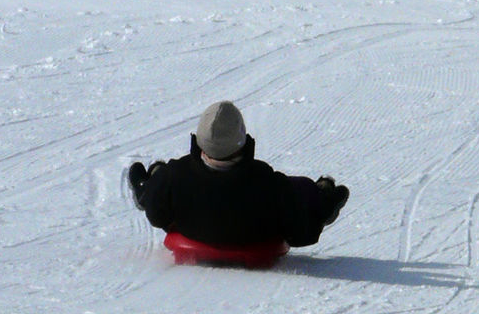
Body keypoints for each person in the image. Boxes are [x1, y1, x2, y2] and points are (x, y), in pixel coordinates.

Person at [128, 100, 349, 247]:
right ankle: (322, 197)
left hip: (195, 226)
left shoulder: (177, 175)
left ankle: (146, 189)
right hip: (250, 235)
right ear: (242, 139)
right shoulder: (267, 183)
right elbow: (301, 233)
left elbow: (158, 217)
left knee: (163, 180)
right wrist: (318, 216)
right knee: (298, 188)